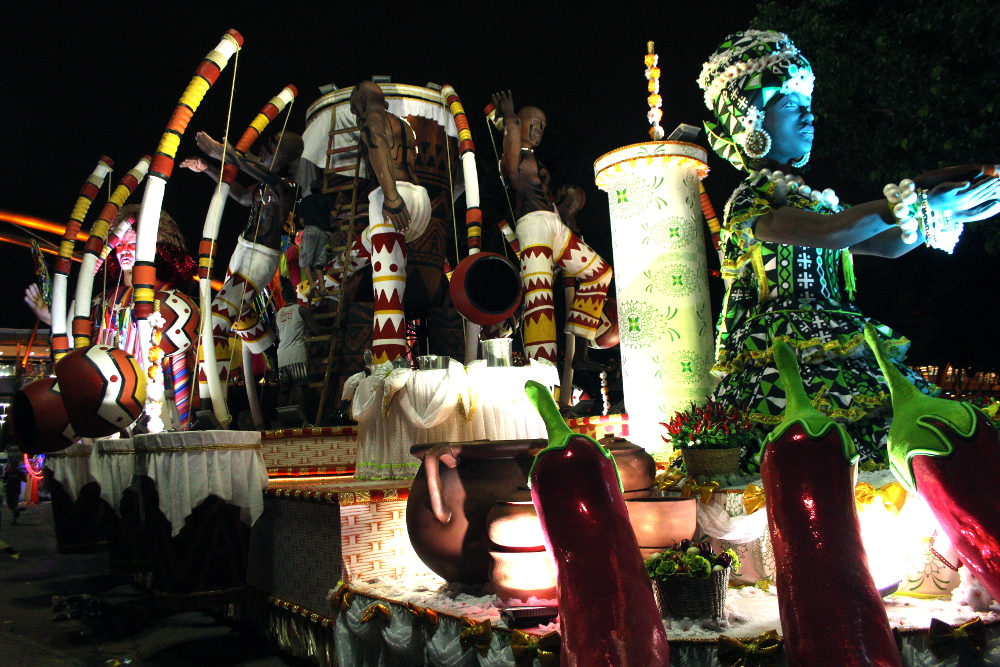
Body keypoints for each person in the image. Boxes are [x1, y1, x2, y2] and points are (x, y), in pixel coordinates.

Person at [698, 30, 1000, 472]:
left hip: (845, 339)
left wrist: (941, 213)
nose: (809, 116)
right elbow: (830, 233)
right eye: (790, 104)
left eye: (808, 104)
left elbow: (886, 245)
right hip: (780, 353)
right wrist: (915, 202)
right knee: (816, 453)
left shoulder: (813, 198)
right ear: (751, 121)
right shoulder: (749, 201)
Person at [491, 91, 613, 367]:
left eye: (542, 126)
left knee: (599, 273)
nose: (538, 130)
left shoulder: (536, 161)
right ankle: (544, 385)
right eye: (533, 123)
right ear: (519, 124)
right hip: (532, 227)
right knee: (539, 302)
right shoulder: (513, 161)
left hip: (553, 225)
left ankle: (580, 349)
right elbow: (510, 172)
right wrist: (510, 116)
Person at [325, 80, 431, 365]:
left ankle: (388, 367)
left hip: (392, 197)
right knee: (374, 245)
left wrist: (391, 197)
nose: (355, 112)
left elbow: (378, 146)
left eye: (353, 106)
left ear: (361, 99)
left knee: (387, 291)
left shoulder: (373, 119)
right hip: (420, 199)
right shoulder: (404, 124)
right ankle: (329, 281)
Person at [181, 130, 303, 358]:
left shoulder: (286, 187)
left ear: (286, 158)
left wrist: (227, 156)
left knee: (220, 314)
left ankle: (211, 390)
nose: (265, 148)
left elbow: (265, 176)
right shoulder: (262, 185)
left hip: (260, 257)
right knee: (238, 313)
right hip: (242, 248)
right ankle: (273, 354)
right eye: (267, 142)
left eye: (273, 144)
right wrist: (207, 167)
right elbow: (240, 196)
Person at [275, 279, 332, 410]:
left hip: (282, 355)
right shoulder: (301, 310)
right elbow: (316, 330)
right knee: (299, 386)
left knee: (284, 390)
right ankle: (301, 422)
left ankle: (280, 423)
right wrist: (333, 328)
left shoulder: (278, 315)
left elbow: (279, 336)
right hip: (296, 353)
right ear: (295, 296)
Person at [297, 180, 335, 298]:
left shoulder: (305, 200)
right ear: (321, 189)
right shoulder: (326, 198)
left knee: (304, 261)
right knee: (318, 262)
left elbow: (301, 221)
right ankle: (322, 287)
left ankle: (312, 284)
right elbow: (334, 214)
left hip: (311, 230)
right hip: (324, 232)